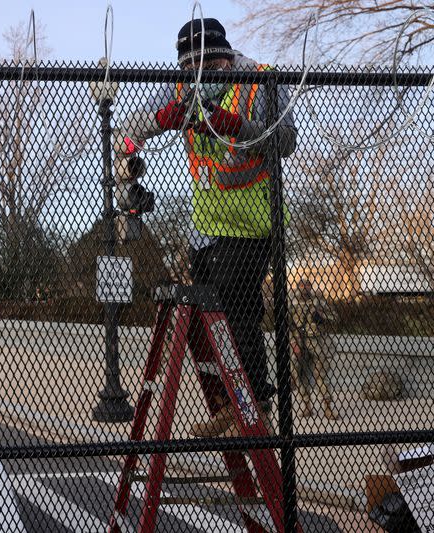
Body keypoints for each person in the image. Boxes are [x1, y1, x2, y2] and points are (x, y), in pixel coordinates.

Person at [116, 18, 297, 437]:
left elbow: (285, 141)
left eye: (209, 65)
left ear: (227, 56)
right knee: (208, 316)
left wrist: (237, 126)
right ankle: (230, 404)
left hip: (253, 222)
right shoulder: (181, 86)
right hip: (206, 223)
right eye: (190, 66)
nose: (200, 75)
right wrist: (158, 121)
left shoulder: (258, 81)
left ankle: (256, 405)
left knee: (237, 306)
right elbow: (128, 132)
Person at [290, 279, 339, 420]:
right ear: (297, 287)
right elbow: (286, 324)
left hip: (318, 342)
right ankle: (307, 406)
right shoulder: (291, 302)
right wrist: (293, 343)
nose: (304, 287)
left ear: (311, 287)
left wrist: (321, 317)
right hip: (298, 341)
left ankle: (328, 408)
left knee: (320, 376)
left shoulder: (319, 301)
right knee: (299, 374)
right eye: (301, 285)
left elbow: (335, 317)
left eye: (307, 285)